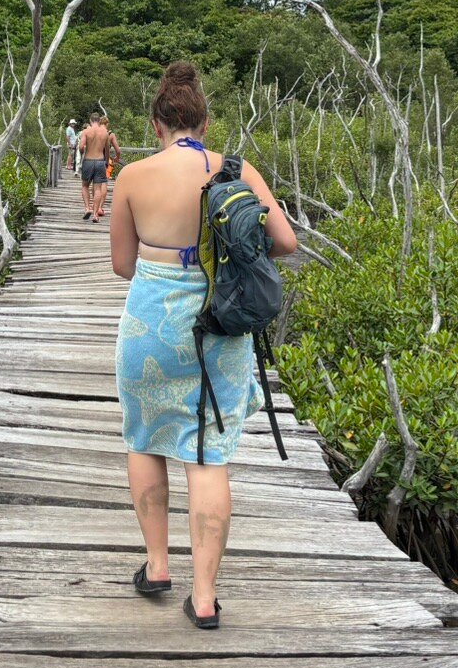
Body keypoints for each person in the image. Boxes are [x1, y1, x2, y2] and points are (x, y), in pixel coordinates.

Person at [108, 61, 296, 629]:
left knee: (145, 439)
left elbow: (121, 265)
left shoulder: (133, 177)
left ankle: (158, 566)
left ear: (156, 122)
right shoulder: (237, 169)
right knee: (209, 455)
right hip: (221, 323)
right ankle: (206, 598)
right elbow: (285, 242)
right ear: (205, 122)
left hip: (151, 326)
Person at [77, 114, 112, 221]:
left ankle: (87, 208)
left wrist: (83, 152)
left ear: (91, 120)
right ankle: (96, 215)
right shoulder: (105, 133)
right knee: (97, 189)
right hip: (100, 161)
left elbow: (81, 146)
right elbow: (107, 150)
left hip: (88, 160)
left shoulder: (86, 131)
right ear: (99, 121)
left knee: (85, 186)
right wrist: (106, 162)